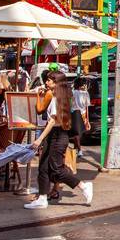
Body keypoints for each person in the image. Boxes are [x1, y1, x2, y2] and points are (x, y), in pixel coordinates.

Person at [25, 71, 93, 209]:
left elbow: (52, 121)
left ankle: (83, 186)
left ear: (57, 83)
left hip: (58, 135)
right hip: (54, 135)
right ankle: (42, 198)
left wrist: (39, 139)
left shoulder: (57, 98)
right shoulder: (61, 96)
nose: (46, 82)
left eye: (50, 80)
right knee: (43, 167)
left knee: (56, 169)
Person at [71, 78, 91, 158]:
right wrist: (87, 118)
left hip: (74, 113)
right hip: (82, 113)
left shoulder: (73, 92)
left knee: (76, 132)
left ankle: (78, 149)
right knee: (79, 133)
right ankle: (78, 149)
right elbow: (87, 107)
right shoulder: (86, 93)